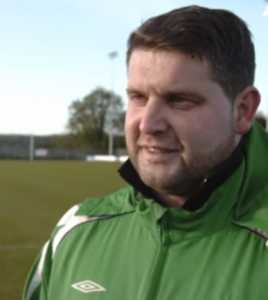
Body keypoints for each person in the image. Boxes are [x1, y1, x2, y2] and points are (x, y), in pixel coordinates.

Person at [24, 5, 268, 300]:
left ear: (242, 110)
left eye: (179, 100)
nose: (148, 124)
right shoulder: (76, 230)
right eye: (138, 97)